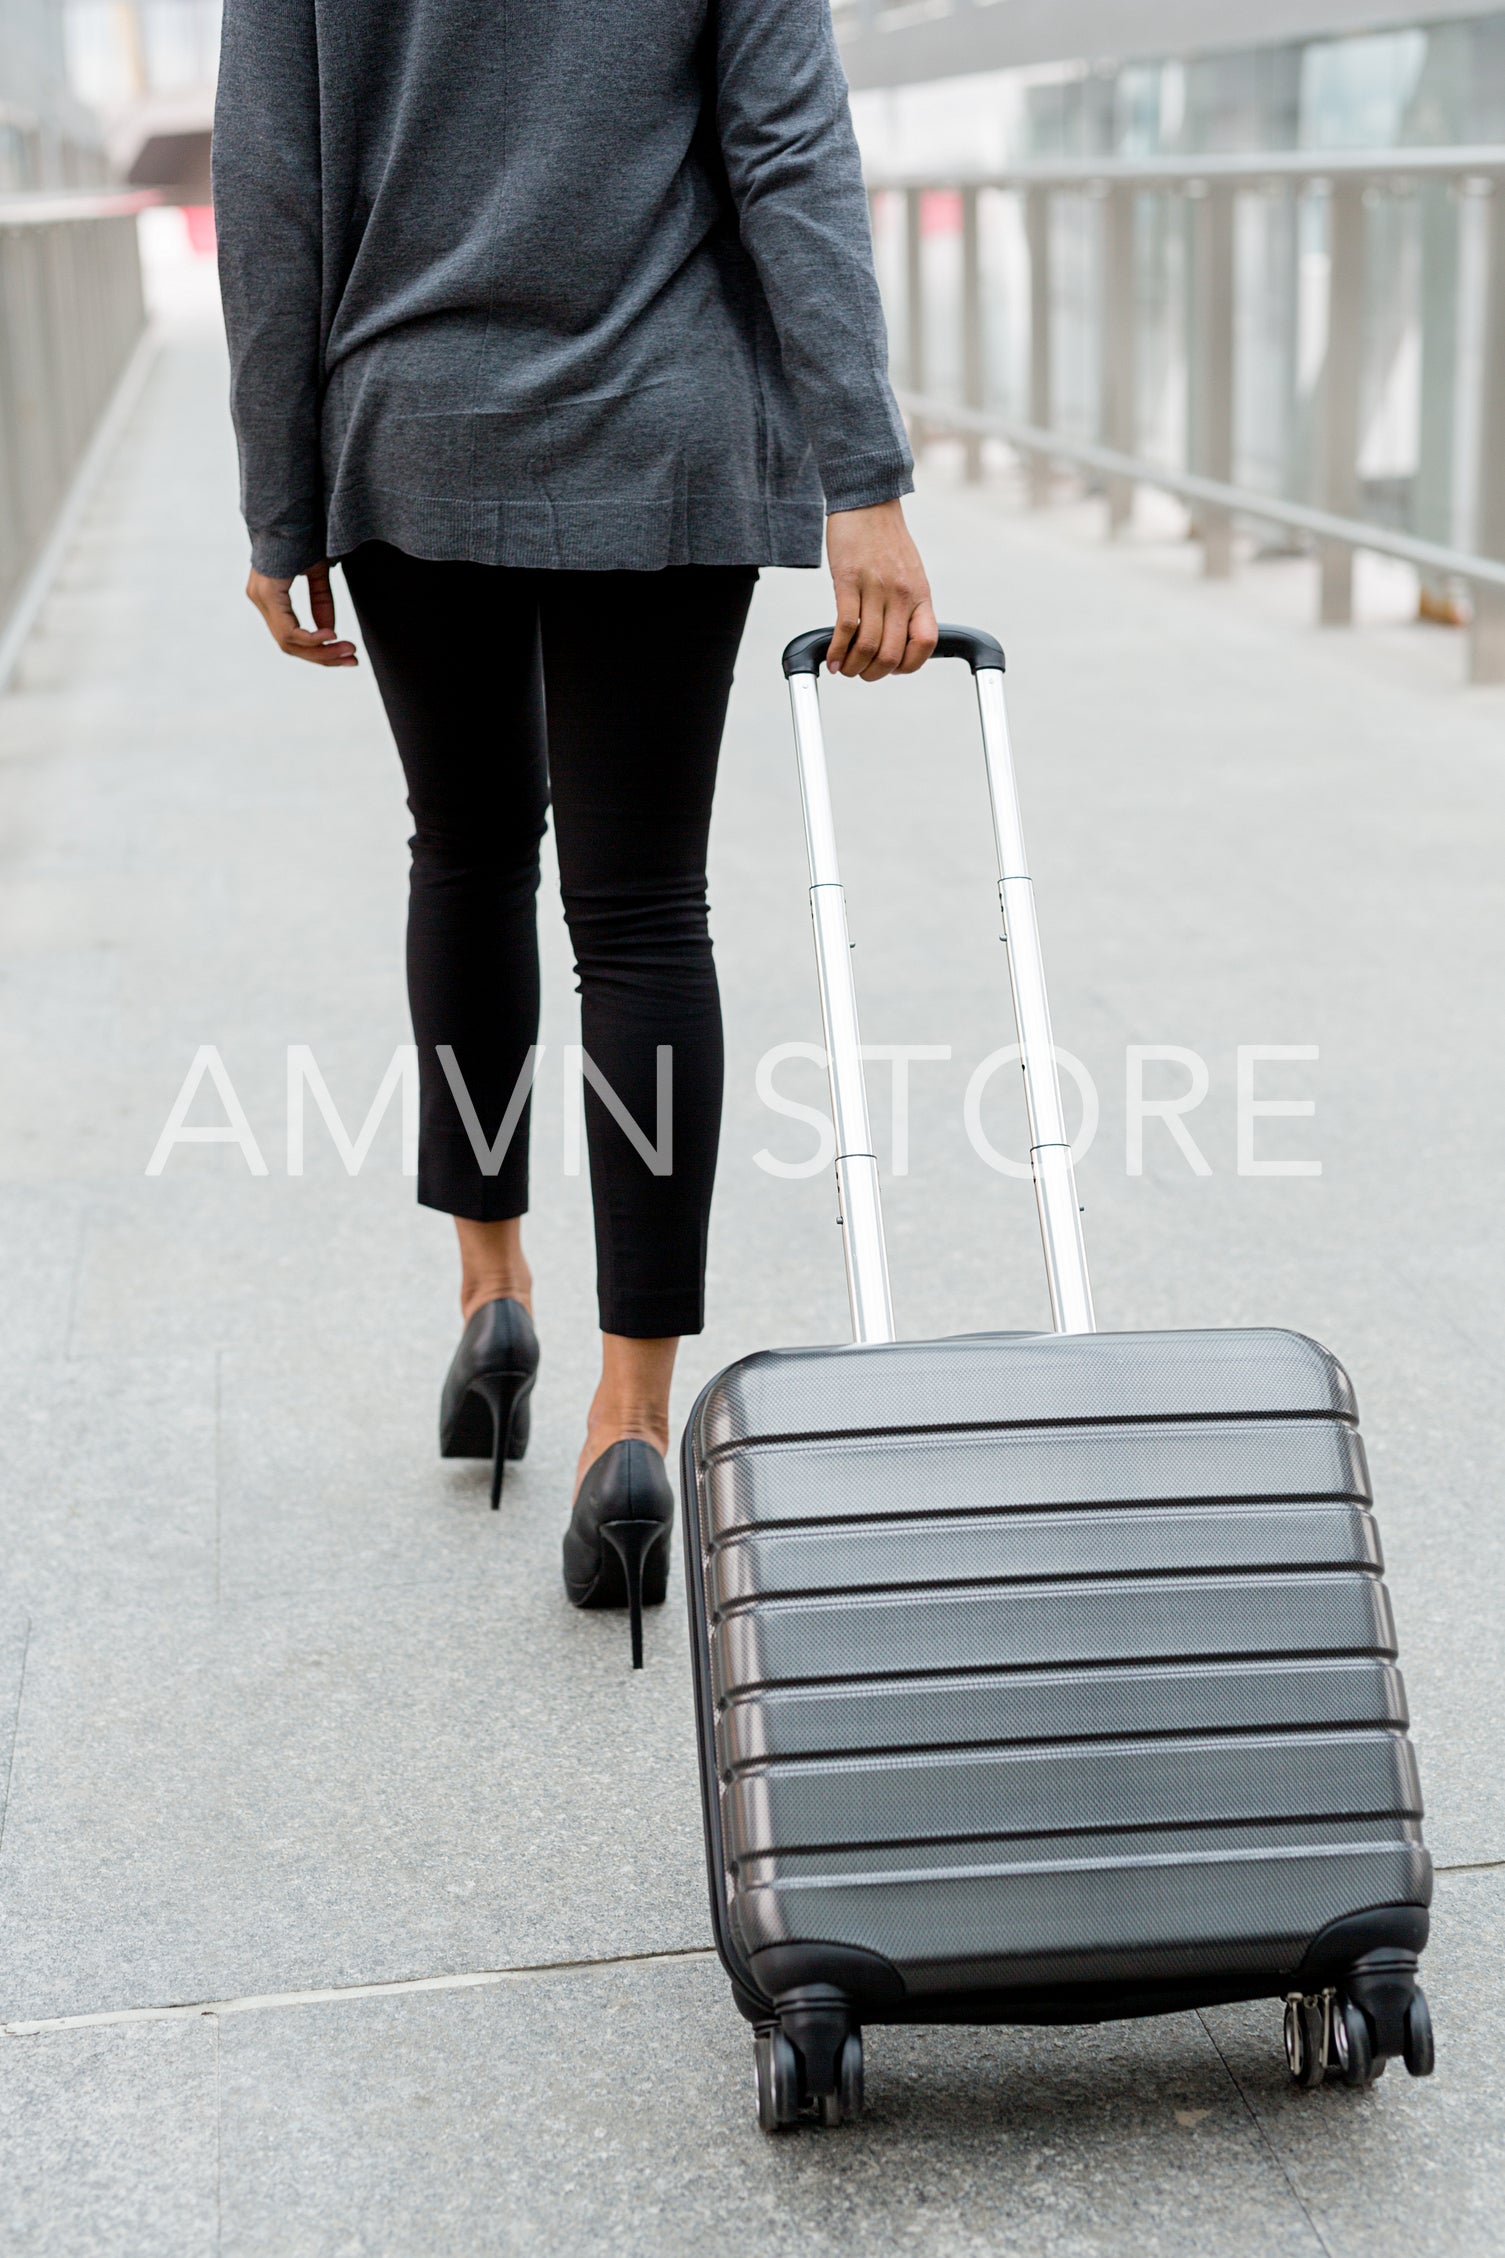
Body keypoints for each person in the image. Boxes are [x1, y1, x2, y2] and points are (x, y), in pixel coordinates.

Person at [212, 0, 936, 1664]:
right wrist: (864, 473)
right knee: (643, 914)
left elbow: (274, 182)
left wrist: (279, 488)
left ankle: (491, 1293)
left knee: (463, 848)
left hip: (417, 414)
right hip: (662, 418)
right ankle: (628, 1410)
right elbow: (786, 144)